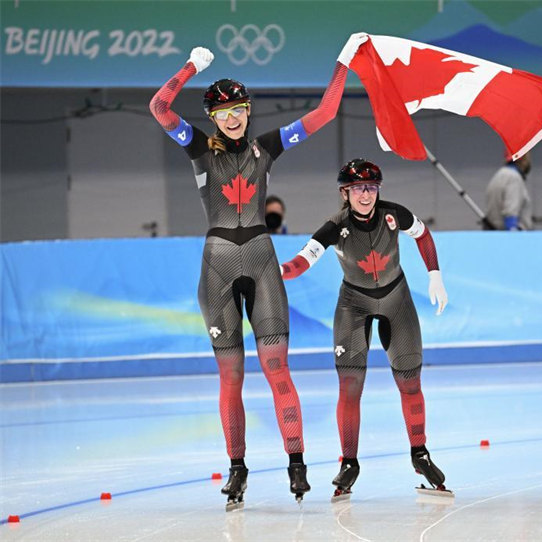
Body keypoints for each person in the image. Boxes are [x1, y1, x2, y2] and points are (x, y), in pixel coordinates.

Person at [148, 39, 361, 509]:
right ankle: (237, 468)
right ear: (212, 117)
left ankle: (297, 462)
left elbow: (324, 114)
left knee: (277, 367)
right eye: (224, 111)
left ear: (247, 111)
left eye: (239, 109)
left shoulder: (267, 147)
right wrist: (189, 67)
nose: (232, 117)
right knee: (232, 376)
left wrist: (343, 62)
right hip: (218, 266)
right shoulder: (198, 147)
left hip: (261, 261)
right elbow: (159, 107)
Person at [280, 159, 451, 501]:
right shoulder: (335, 226)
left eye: (371, 188)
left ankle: (420, 454)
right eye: (358, 188)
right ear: (345, 193)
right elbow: (303, 261)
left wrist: (435, 273)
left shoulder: (393, 214)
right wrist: (278, 271)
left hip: (396, 300)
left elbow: (423, 234)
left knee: (410, 382)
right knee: (350, 385)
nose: (365, 195)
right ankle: (350, 462)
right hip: (353, 305)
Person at [485, 151, 533, 230]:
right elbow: (510, 212)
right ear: (522, 158)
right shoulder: (513, 178)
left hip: (497, 234)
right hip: (513, 237)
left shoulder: (499, 175)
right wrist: (513, 235)